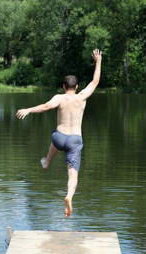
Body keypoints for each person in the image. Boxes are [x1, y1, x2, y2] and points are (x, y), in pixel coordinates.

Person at [16, 49, 102, 217]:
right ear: (76, 87)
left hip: (59, 138)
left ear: (63, 87)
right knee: (73, 174)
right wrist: (98, 61)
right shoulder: (82, 96)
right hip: (75, 141)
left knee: (55, 137)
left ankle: (47, 161)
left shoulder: (59, 98)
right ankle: (69, 197)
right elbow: (95, 81)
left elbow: (46, 107)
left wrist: (28, 110)